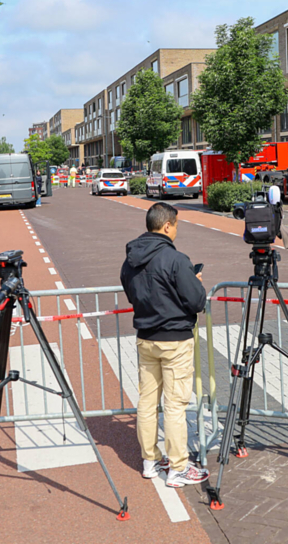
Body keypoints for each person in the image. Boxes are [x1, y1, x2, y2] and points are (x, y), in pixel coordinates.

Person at [120, 202, 209, 488]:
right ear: (167, 225)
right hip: (175, 339)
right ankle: (178, 468)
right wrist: (196, 282)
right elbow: (196, 301)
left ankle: (150, 461)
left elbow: (132, 295)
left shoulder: (130, 259)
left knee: (147, 401)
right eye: (177, 225)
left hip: (146, 338)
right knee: (175, 405)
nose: (176, 229)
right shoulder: (176, 259)